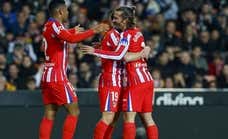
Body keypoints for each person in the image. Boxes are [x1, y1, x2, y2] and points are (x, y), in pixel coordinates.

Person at [81, 6, 158, 139]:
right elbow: (123, 52)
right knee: (143, 118)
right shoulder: (137, 32)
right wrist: (144, 50)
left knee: (126, 118)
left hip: (133, 81)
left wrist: (96, 51)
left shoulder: (124, 35)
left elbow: (122, 56)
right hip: (143, 78)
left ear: (125, 20)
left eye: (116, 18)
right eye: (112, 18)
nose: (112, 20)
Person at [39, 1, 109, 139]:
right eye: (66, 10)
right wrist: (94, 30)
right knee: (74, 111)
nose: (68, 13)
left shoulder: (49, 25)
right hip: (57, 76)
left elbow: (61, 37)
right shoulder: (55, 24)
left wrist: (71, 31)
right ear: (60, 11)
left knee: (50, 114)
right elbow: (70, 39)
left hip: (47, 74)